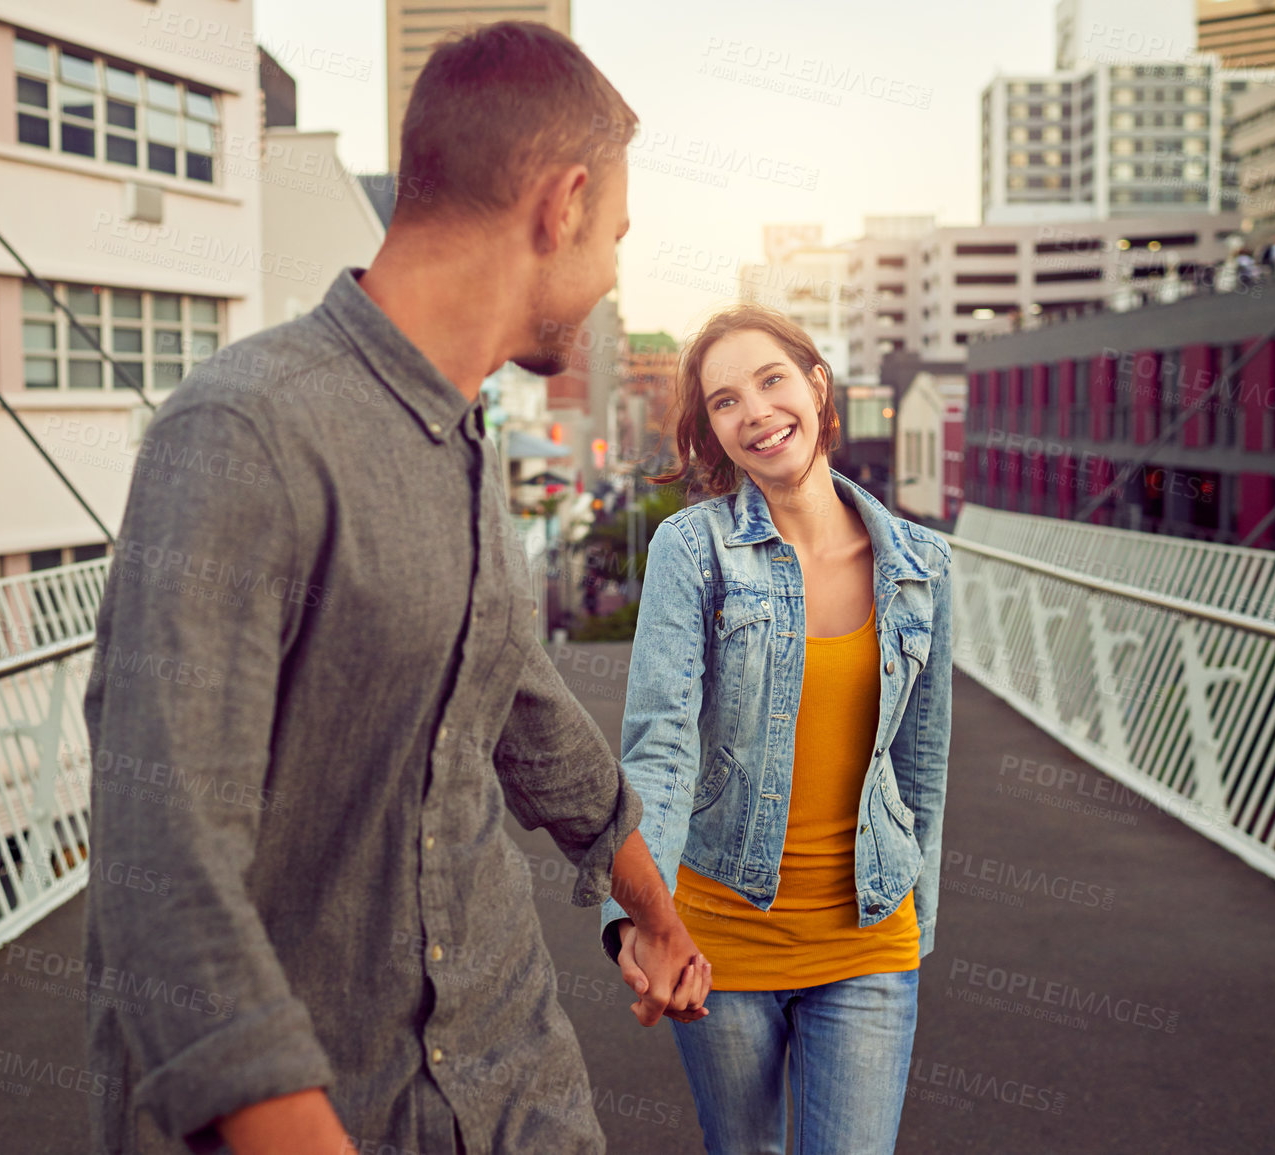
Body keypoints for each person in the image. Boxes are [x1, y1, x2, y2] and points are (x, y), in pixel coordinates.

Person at [82, 22, 709, 1155]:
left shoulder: (461, 438)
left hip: (517, 1085)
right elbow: (163, 876)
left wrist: (655, 918)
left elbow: (529, 718)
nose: (616, 271)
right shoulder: (244, 435)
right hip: (336, 1106)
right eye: (616, 234)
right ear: (560, 207)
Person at [600, 304, 954, 1153]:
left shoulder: (923, 566)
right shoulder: (693, 550)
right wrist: (638, 919)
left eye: (770, 381)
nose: (754, 411)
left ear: (816, 386)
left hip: (870, 936)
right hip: (719, 936)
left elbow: (923, 762)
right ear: (712, 432)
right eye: (724, 402)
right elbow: (660, 742)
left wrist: (919, 922)